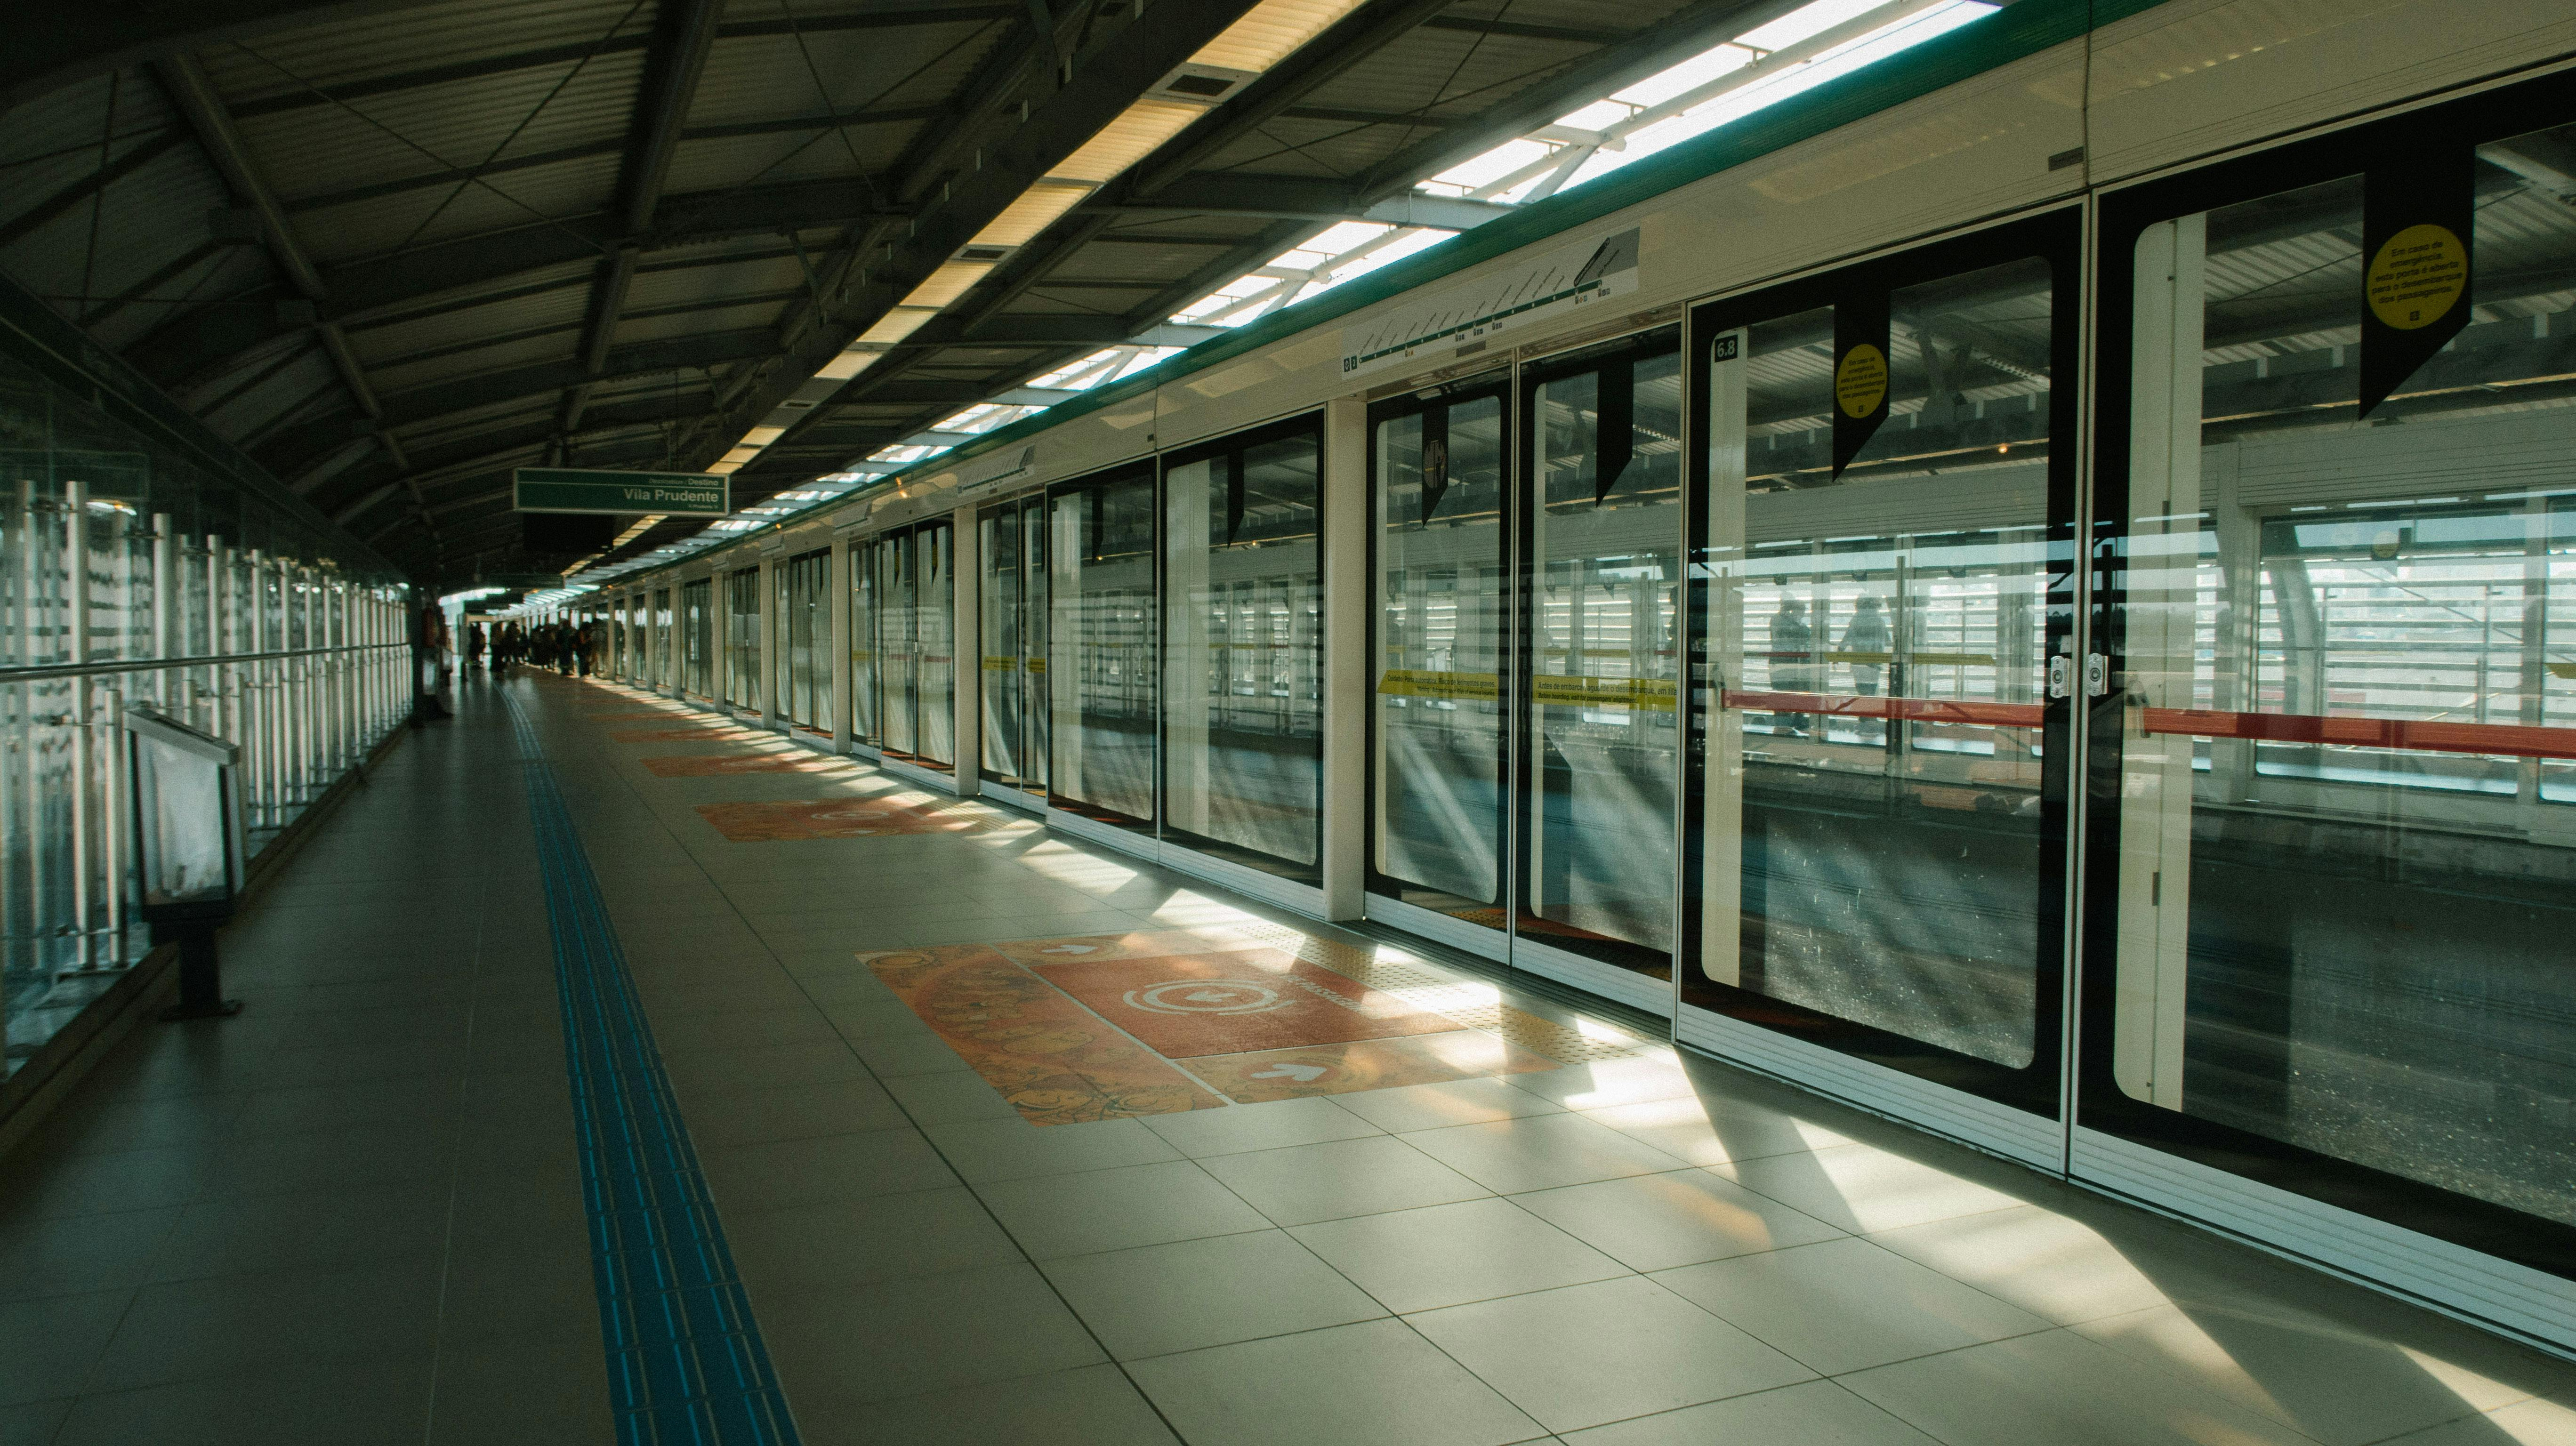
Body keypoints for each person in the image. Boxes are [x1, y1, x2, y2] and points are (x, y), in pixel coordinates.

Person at [1842, 594, 1892, 745]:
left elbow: (1848, 638)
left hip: (1858, 661)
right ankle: (1871, 721)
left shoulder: (1856, 620)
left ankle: (1865, 721)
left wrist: (1839, 651)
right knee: (1871, 691)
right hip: (1875, 662)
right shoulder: (1879, 620)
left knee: (1862, 691)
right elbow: (1888, 641)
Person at [1770, 597, 1814, 737]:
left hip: (1790, 664)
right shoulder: (1785, 622)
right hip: (1785, 664)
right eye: (1801, 612)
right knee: (1785, 692)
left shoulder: (1787, 621)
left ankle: (1791, 723)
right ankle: (1784, 725)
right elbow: (1801, 635)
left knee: (1793, 692)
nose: (1803, 615)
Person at [411, 602, 452, 724]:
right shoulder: (427, 618)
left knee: (430, 687)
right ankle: (433, 712)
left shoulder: (426, 618)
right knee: (429, 687)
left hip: (426, 657)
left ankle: (435, 711)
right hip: (425, 657)